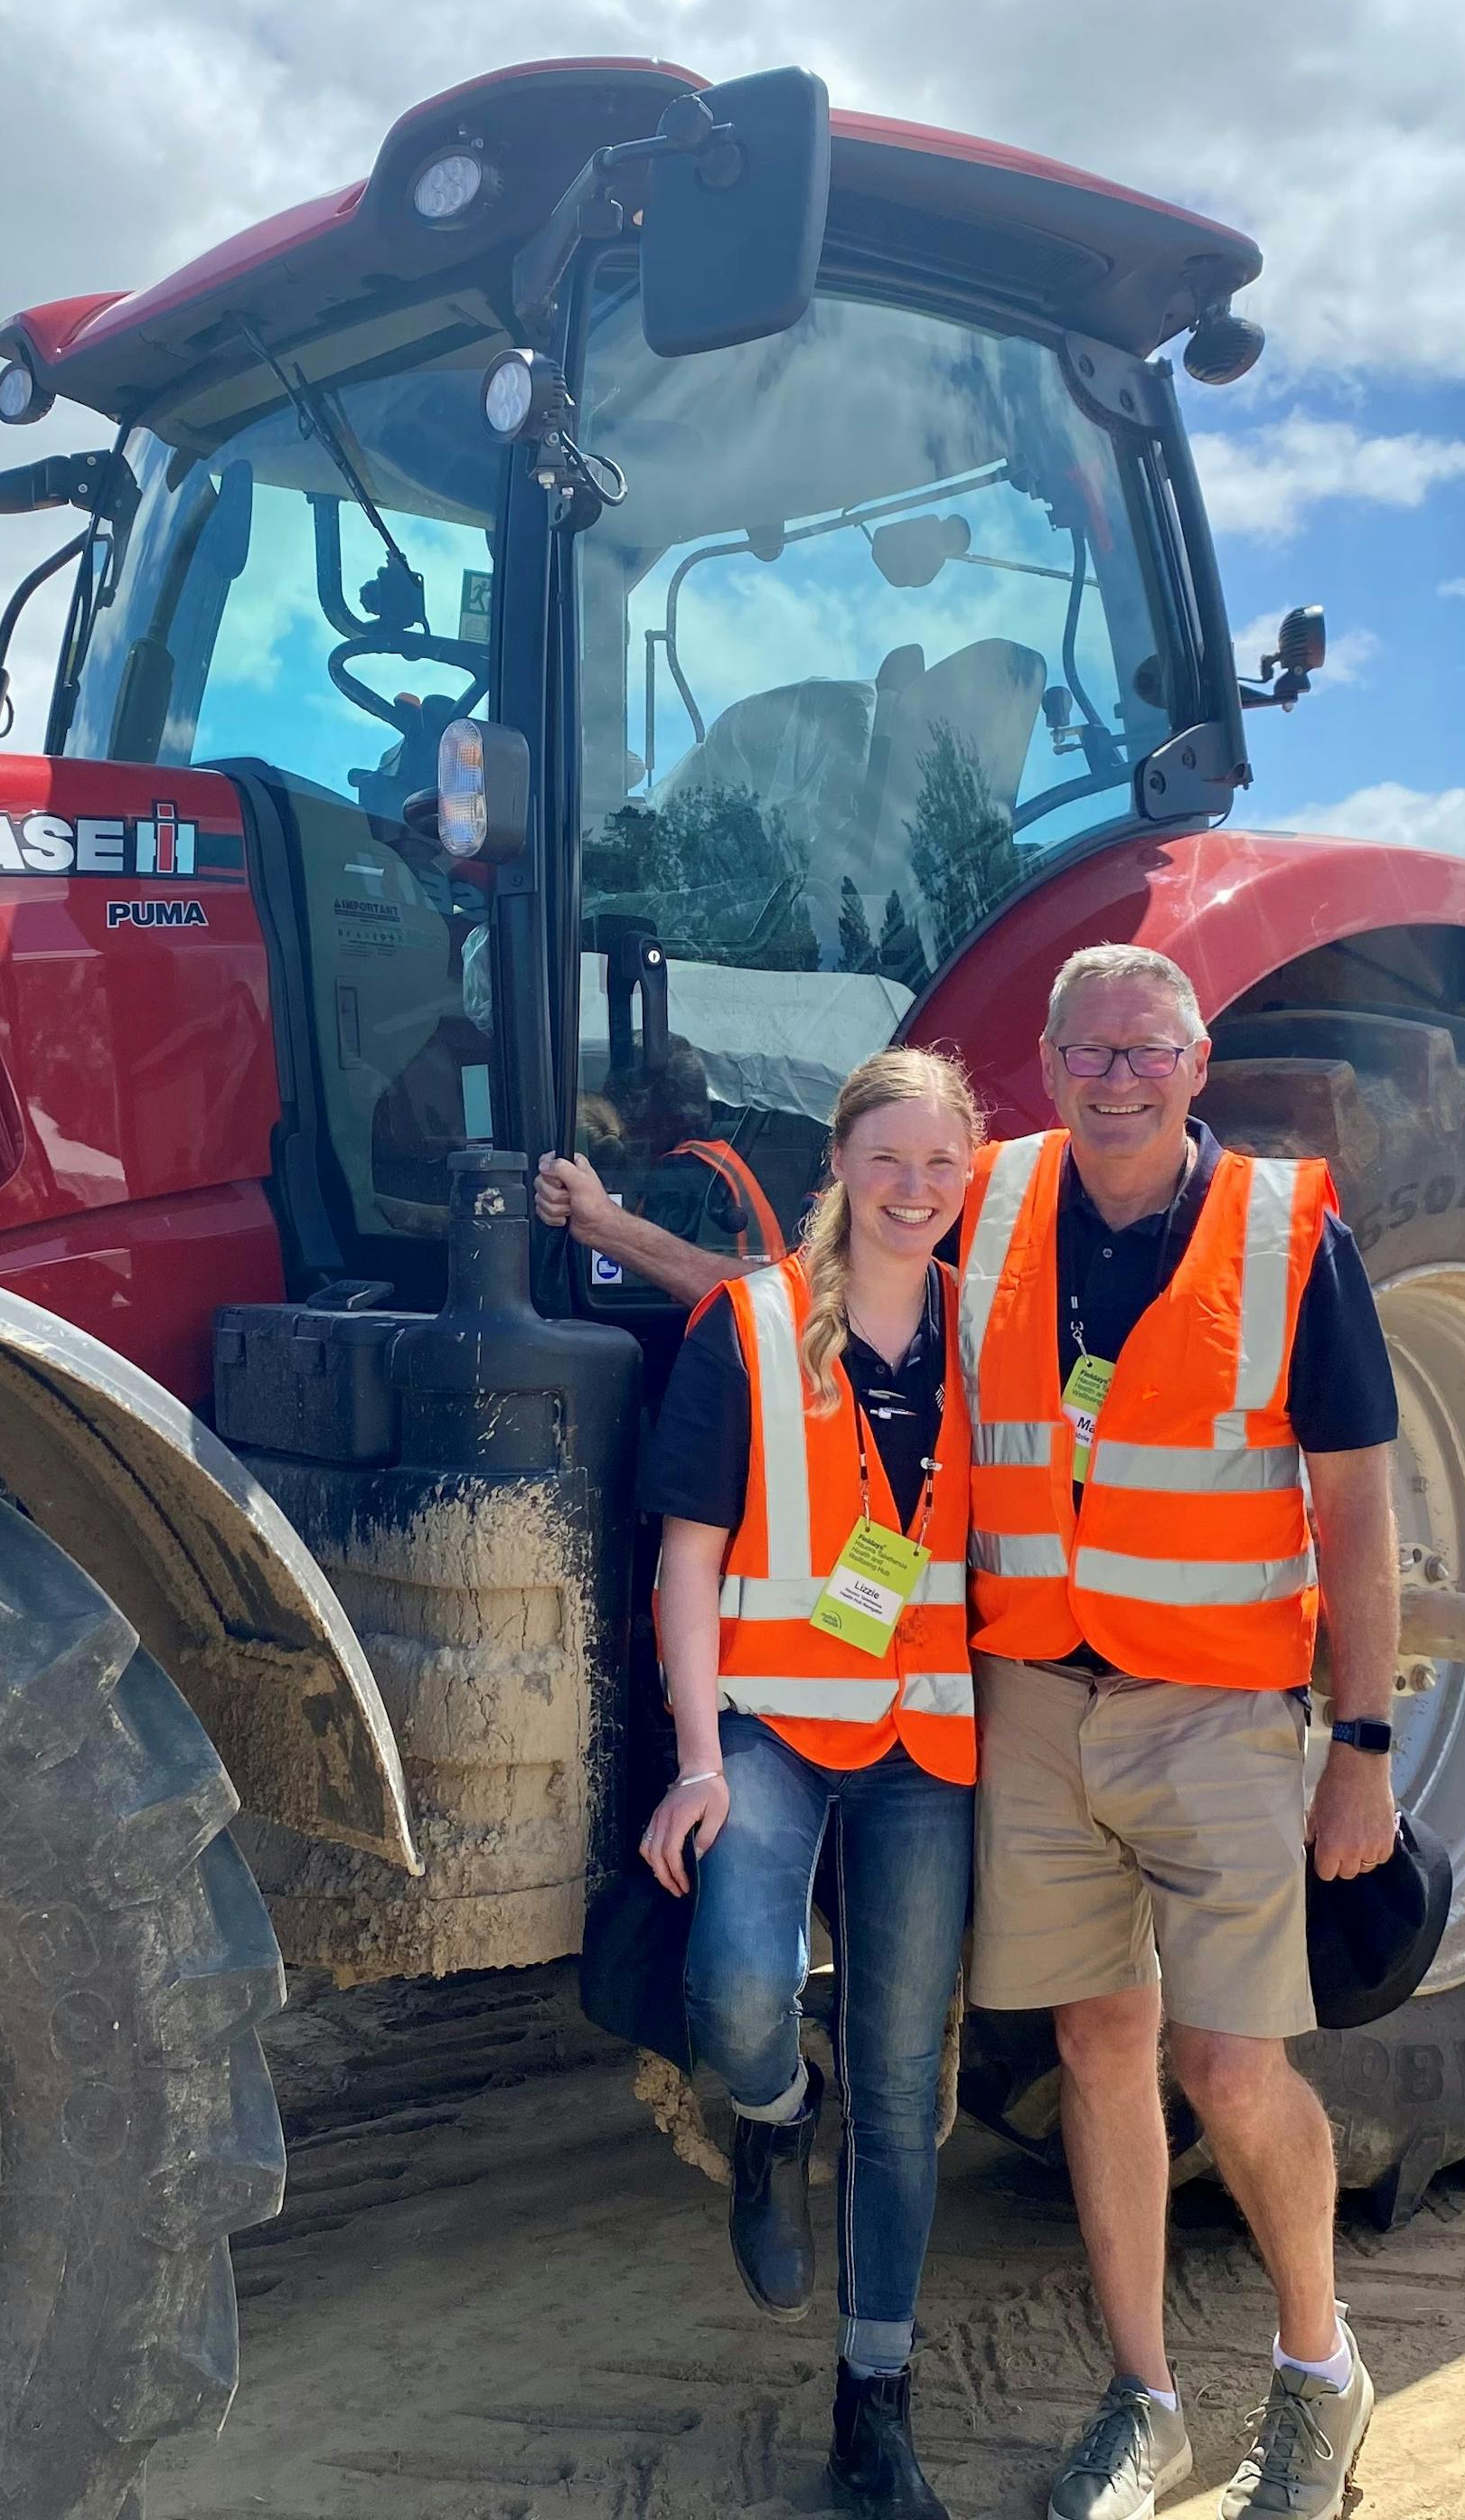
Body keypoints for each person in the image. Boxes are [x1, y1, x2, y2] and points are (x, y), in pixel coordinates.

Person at [545, 944, 1402, 2520]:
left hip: (1206, 1706)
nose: (1120, 1077)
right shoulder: (988, 1198)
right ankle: (1146, 2402)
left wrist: (1365, 1736)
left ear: (1199, 1059)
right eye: (1088, 1053)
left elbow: (1355, 1500)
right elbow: (787, 1300)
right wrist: (613, 1232)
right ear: (1051, 1067)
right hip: (1026, 1704)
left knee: (1224, 2062)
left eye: (1150, 1050)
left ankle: (1317, 2374)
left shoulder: (1285, 1230)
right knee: (1094, 2045)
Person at [634, 1047, 987, 2520]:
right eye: (887, 1160)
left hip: (931, 1746)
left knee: (906, 2092)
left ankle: (874, 2410)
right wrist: (699, 1758)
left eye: (941, 1167)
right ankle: (773, 2116)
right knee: (734, 1995)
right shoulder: (754, 1322)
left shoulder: (993, 1335)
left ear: (970, 1183)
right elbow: (691, 1556)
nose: (913, 1190)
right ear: (837, 1164)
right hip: (773, 1726)